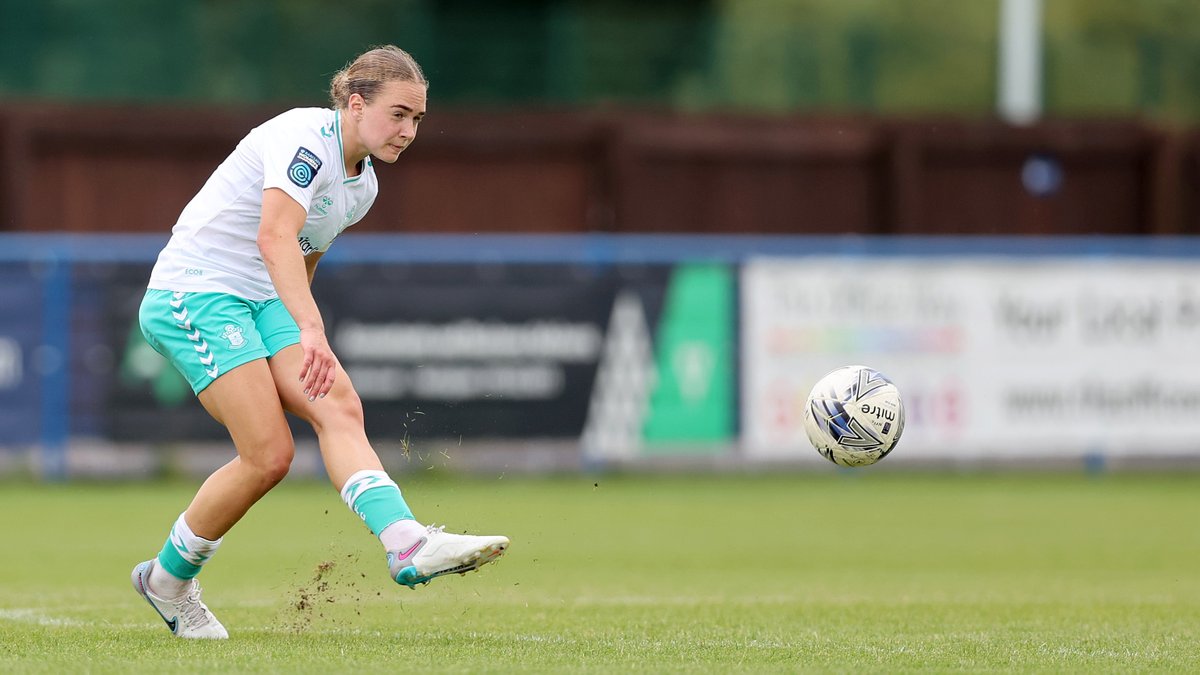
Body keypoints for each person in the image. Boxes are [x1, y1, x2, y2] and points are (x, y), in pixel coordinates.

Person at [129, 45, 509, 640]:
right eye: (399, 114)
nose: (408, 131)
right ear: (355, 104)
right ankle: (168, 581)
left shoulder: (363, 188)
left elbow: (302, 263)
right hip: (194, 293)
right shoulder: (303, 138)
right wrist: (311, 329)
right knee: (270, 454)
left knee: (339, 405)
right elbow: (275, 236)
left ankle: (406, 543)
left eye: (418, 120)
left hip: (262, 302)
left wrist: (299, 330)